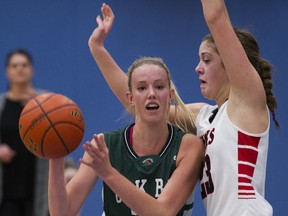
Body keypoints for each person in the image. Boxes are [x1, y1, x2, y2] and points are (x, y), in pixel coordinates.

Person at [88, 2, 279, 215]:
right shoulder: (204, 116)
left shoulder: (248, 101)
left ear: (231, 62)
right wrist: (97, 49)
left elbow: (216, 16)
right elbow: (139, 105)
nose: (198, 68)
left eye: (206, 60)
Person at [48, 57, 204, 216]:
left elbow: (162, 213)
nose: (151, 94)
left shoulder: (189, 146)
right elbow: (62, 213)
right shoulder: (105, 146)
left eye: (159, 86)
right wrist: (55, 156)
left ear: (170, 95)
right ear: (130, 98)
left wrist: (108, 173)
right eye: (142, 88)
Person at [0, 48, 49, 216]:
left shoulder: (46, 102)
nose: (19, 68)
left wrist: (40, 109)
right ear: (7, 71)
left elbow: (58, 138)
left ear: (32, 70)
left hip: (38, 189)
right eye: (14, 65)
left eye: (24, 64)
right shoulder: (1, 104)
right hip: (7, 192)